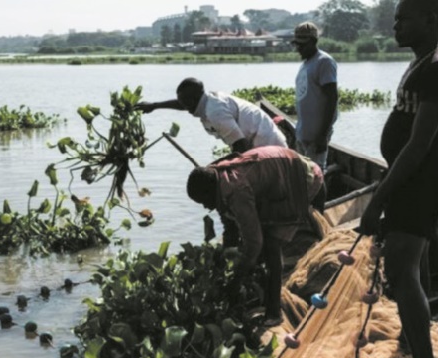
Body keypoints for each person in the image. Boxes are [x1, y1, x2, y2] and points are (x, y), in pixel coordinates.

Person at [358, 0, 438, 358]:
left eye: (404, 17)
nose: (396, 23)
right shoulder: (424, 62)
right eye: (395, 17)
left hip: (418, 185)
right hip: (412, 182)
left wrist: (379, 199)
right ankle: (414, 347)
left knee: (403, 275)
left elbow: (418, 146)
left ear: (430, 18)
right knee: (411, 273)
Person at [186, 145, 323, 327]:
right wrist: (223, 260)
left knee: (270, 244)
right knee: (259, 235)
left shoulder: (236, 190)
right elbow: (230, 227)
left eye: (203, 202)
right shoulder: (219, 178)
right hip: (284, 171)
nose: (205, 207)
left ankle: (274, 312)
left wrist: (237, 277)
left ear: (209, 192)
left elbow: (254, 242)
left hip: (304, 178)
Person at [136, 77, 287, 153]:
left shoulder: (216, 112)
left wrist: (217, 166)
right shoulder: (207, 101)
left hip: (269, 147)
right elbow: (181, 104)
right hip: (260, 144)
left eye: (185, 102)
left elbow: (241, 146)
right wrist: (154, 106)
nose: (183, 106)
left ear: (193, 100)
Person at [292, 21, 338, 172]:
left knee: (316, 176)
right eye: (297, 44)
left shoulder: (324, 62)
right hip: (303, 133)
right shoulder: (305, 64)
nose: (298, 48)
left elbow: (332, 99)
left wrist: (322, 135)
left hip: (316, 136)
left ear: (313, 42)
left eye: (302, 45)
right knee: (303, 178)